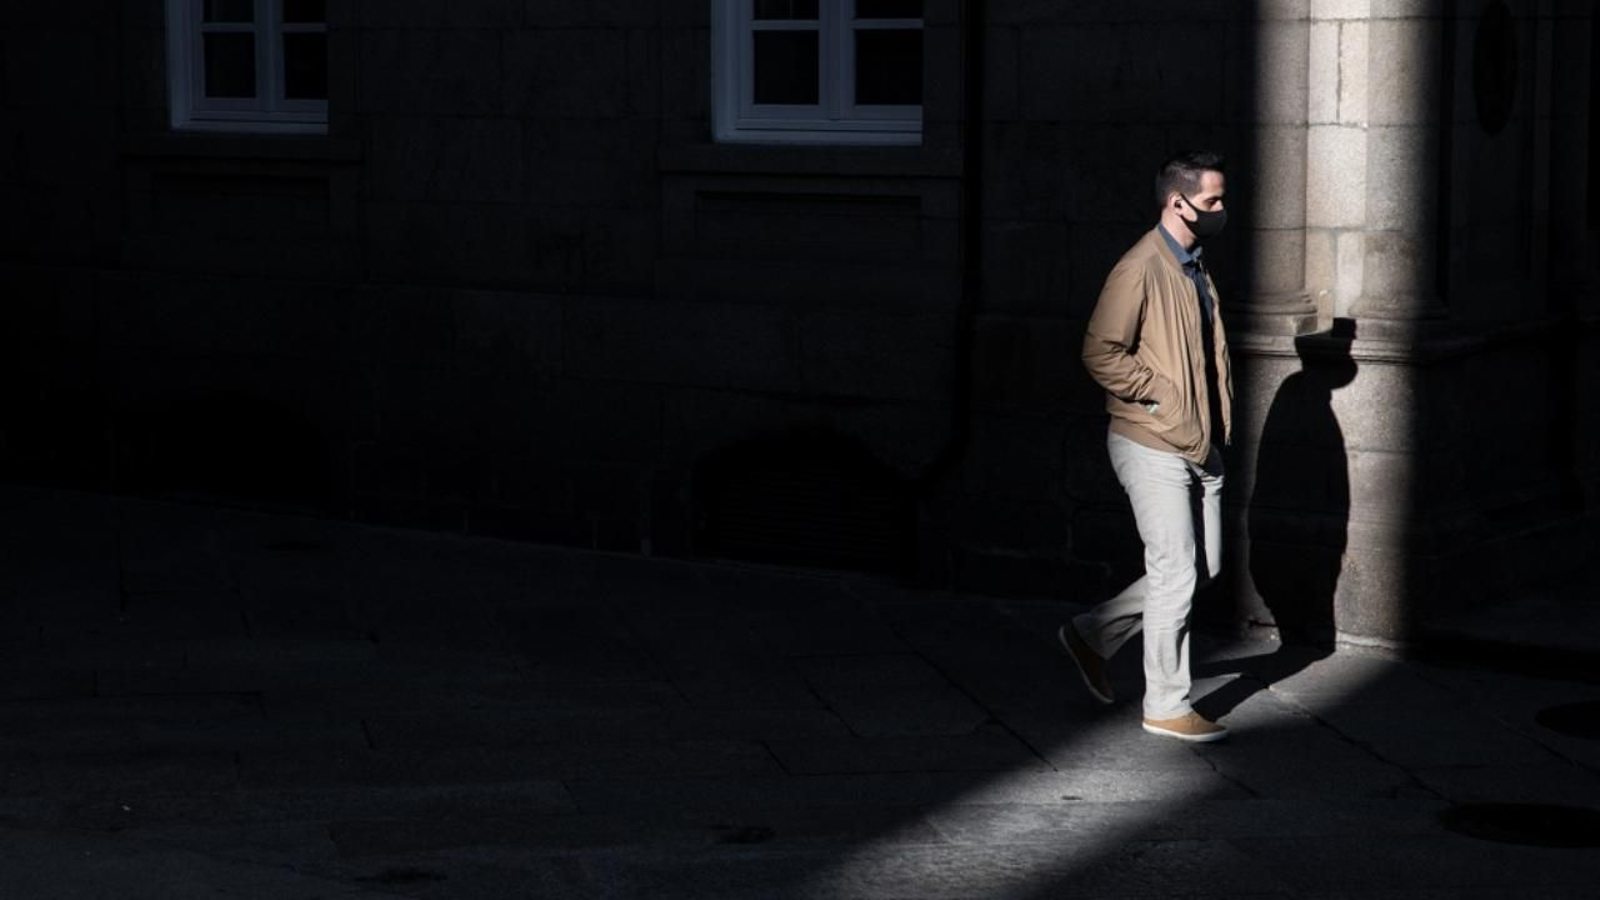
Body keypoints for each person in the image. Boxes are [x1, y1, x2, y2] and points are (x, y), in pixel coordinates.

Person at [1061, 151, 1234, 743]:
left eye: (1221, 198)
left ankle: (1092, 633)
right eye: (1212, 201)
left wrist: (1204, 427)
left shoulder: (1192, 265)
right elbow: (1100, 352)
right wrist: (1160, 400)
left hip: (1197, 441)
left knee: (1202, 567)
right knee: (1176, 571)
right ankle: (1166, 703)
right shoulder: (1141, 267)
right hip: (1151, 439)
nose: (1220, 210)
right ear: (1176, 202)